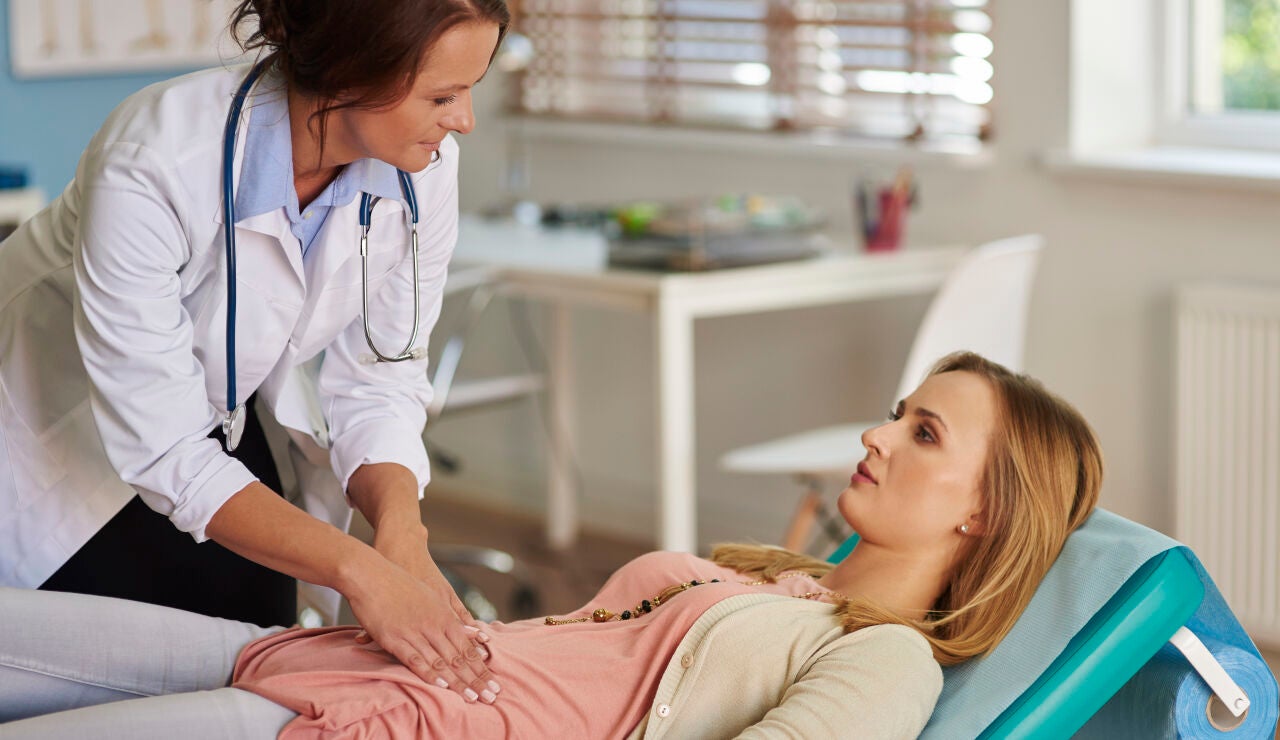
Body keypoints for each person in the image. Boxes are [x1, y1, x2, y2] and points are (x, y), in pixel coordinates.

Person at [0, 352, 1103, 738]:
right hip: (346, 662)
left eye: (920, 432)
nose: (875, 432)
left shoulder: (888, 655)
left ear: (982, 513)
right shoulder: (783, 581)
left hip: (394, 722)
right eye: (896, 408)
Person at [0, 0, 511, 703]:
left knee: (261, 667)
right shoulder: (153, 158)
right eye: (443, 96)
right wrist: (361, 571)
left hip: (214, 421)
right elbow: (166, 449)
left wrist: (400, 533)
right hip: (52, 450)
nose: (464, 121)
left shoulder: (422, 171)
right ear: (352, 70)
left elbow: (382, 379)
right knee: (120, 690)